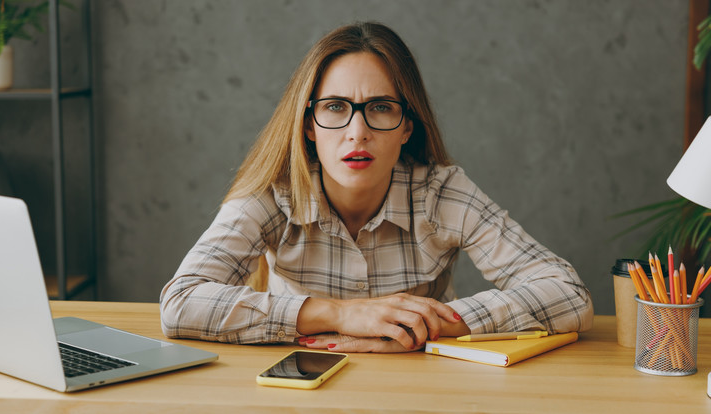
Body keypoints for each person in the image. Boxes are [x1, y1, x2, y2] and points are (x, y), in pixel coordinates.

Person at [160, 21, 593, 353]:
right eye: (335, 108)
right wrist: (343, 314)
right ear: (309, 124)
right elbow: (180, 303)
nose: (357, 132)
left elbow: (568, 294)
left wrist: (430, 324)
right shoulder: (276, 192)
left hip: (421, 388)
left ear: (407, 125)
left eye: (380, 108)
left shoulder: (441, 193)